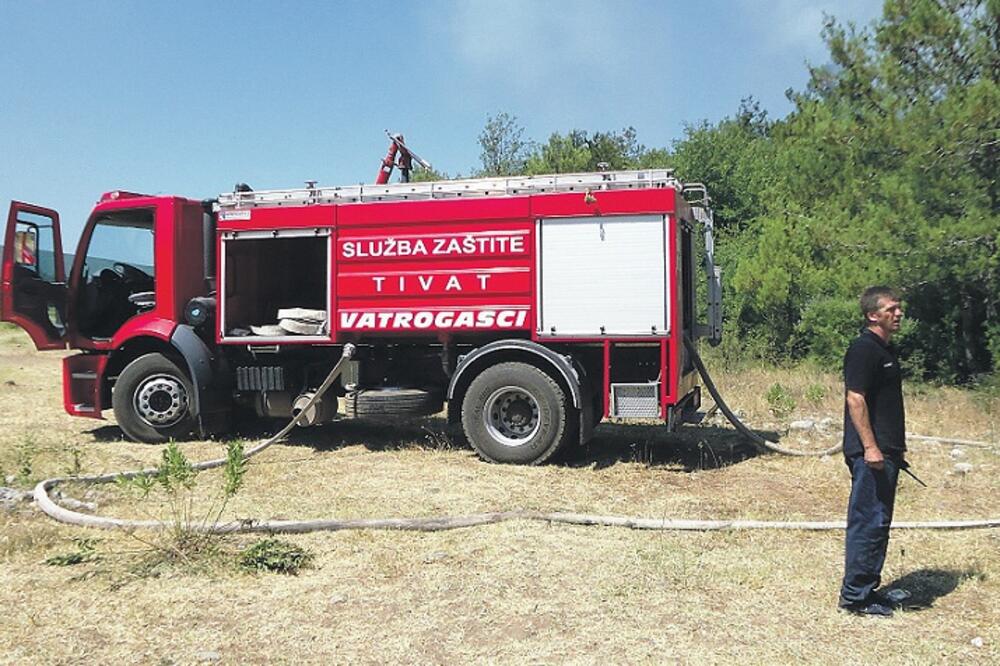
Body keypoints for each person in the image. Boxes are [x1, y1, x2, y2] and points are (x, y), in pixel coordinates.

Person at [838, 286, 906, 617]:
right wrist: (870, 448)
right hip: (871, 455)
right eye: (891, 308)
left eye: (899, 308)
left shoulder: (886, 350)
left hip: (887, 452)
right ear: (872, 315)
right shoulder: (864, 350)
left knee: (879, 522)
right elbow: (856, 398)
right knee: (868, 520)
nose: (898, 313)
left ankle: (869, 590)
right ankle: (855, 597)